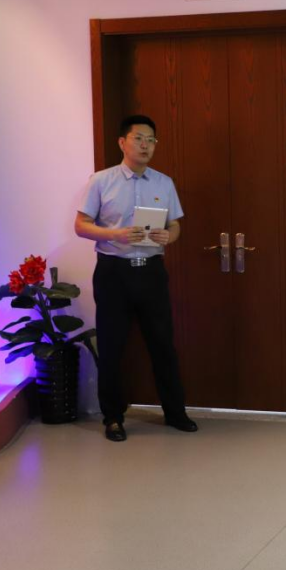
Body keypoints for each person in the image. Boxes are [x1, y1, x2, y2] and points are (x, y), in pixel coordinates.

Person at [75, 114, 198, 442]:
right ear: (122, 142)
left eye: (151, 140)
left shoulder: (164, 183)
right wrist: (115, 234)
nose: (146, 145)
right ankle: (113, 418)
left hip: (152, 272)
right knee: (111, 346)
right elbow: (81, 225)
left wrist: (169, 236)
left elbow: (175, 225)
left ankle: (175, 412)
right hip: (113, 273)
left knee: (163, 344)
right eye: (139, 138)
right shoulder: (101, 181)